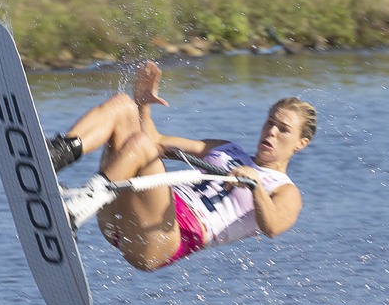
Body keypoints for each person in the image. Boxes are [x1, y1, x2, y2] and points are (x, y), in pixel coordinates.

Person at [47, 61, 315, 271]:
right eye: (270, 123)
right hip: (125, 215)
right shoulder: (226, 148)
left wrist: (255, 185)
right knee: (123, 105)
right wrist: (142, 102)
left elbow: (272, 227)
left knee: (140, 144)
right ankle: (58, 155)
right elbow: (155, 142)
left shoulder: (286, 190)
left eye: (283, 130)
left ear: (300, 143)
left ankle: (74, 212)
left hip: (161, 240)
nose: (271, 133)